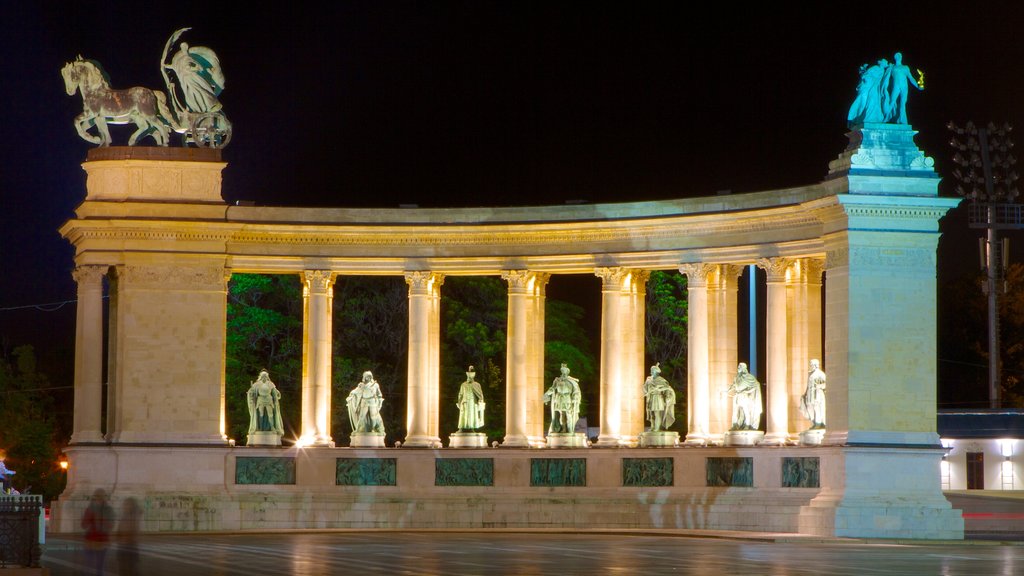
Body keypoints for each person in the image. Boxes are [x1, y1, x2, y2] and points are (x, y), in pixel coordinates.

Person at [165, 42, 225, 113]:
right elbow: (174, 67)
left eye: (184, 47)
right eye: (182, 47)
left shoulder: (188, 57)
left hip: (194, 79)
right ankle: (195, 109)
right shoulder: (179, 62)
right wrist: (165, 66)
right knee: (190, 95)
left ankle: (213, 104)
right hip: (186, 81)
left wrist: (191, 68)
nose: (183, 50)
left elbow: (198, 67)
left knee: (202, 91)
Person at [883, 52, 923, 124]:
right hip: (896, 86)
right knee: (892, 102)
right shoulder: (892, 67)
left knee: (902, 103)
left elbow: (911, 78)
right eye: (897, 56)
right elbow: (886, 77)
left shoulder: (905, 67)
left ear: (901, 57)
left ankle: (901, 120)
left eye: (899, 55)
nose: (898, 56)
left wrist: (917, 86)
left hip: (904, 87)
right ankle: (886, 117)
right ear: (895, 58)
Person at [81, 488, 115, 576]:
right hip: (95, 541)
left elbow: (84, 525)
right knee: (95, 567)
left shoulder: (104, 509)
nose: (98, 499)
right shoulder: (93, 509)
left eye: (99, 497)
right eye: (97, 497)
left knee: (94, 567)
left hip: (96, 541)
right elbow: (84, 525)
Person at [847, 58, 889, 126]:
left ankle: (869, 118)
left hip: (874, 88)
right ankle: (854, 118)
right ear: (881, 63)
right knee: (862, 102)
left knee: (872, 102)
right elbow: (866, 74)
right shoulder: (876, 67)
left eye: (885, 63)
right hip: (868, 86)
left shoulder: (883, 70)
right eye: (884, 62)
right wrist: (867, 79)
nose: (885, 64)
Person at [543, 363, 581, 434]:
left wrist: (575, 398)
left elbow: (576, 390)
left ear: (567, 372)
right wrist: (547, 393)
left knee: (569, 414)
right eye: (562, 370)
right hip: (559, 398)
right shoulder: (557, 380)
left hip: (567, 398)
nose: (563, 372)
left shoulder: (572, 381)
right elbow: (552, 388)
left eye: (564, 371)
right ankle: (563, 428)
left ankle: (570, 429)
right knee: (561, 414)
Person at [247, 370, 285, 437]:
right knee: (260, 414)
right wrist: (250, 394)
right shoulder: (256, 384)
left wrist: (277, 396)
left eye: (265, 376)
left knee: (270, 414)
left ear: (267, 377)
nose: (264, 377)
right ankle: (260, 428)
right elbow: (251, 392)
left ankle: (272, 427)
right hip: (260, 400)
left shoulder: (270, 384)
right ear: (260, 377)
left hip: (269, 400)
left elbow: (275, 392)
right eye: (263, 376)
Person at [726, 363, 762, 431]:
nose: (738, 368)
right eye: (738, 366)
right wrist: (726, 391)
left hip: (744, 396)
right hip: (737, 396)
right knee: (735, 412)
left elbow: (756, 385)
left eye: (740, 367)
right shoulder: (736, 377)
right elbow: (733, 386)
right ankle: (735, 425)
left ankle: (747, 425)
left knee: (746, 411)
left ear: (744, 368)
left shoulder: (749, 377)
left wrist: (747, 391)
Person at [643, 363, 676, 432]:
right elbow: (644, 387)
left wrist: (659, 389)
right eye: (651, 370)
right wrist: (646, 393)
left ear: (656, 372)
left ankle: (657, 428)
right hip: (650, 398)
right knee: (651, 414)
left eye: (653, 370)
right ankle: (652, 426)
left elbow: (668, 389)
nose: (651, 372)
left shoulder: (661, 380)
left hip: (658, 398)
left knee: (657, 413)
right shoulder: (648, 379)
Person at [117, 497, 142, 576]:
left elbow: (134, 531)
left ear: (132, 506)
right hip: (123, 545)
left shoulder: (134, 517)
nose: (124, 506)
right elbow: (120, 528)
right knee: (124, 567)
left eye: (127, 504)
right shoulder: (125, 515)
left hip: (130, 546)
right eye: (124, 504)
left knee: (131, 568)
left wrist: (125, 536)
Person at [799, 359, 827, 429]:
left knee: (817, 408)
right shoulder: (810, 374)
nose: (810, 366)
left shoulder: (820, 374)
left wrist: (820, 386)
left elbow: (826, 383)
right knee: (809, 407)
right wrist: (805, 393)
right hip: (810, 394)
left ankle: (818, 423)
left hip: (817, 394)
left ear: (815, 365)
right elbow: (808, 385)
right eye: (810, 364)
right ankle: (814, 422)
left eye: (811, 364)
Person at [456, 366, 485, 431]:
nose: (469, 377)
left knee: (472, 415)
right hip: (465, 402)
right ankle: (461, 428)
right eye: (469, 376)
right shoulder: (463, 384)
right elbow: (460, 394)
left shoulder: (476, 384)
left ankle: (472, 428)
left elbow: (480, 394)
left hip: (472, 402)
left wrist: (480, 401)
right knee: (463, 415)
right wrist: (459, 402)